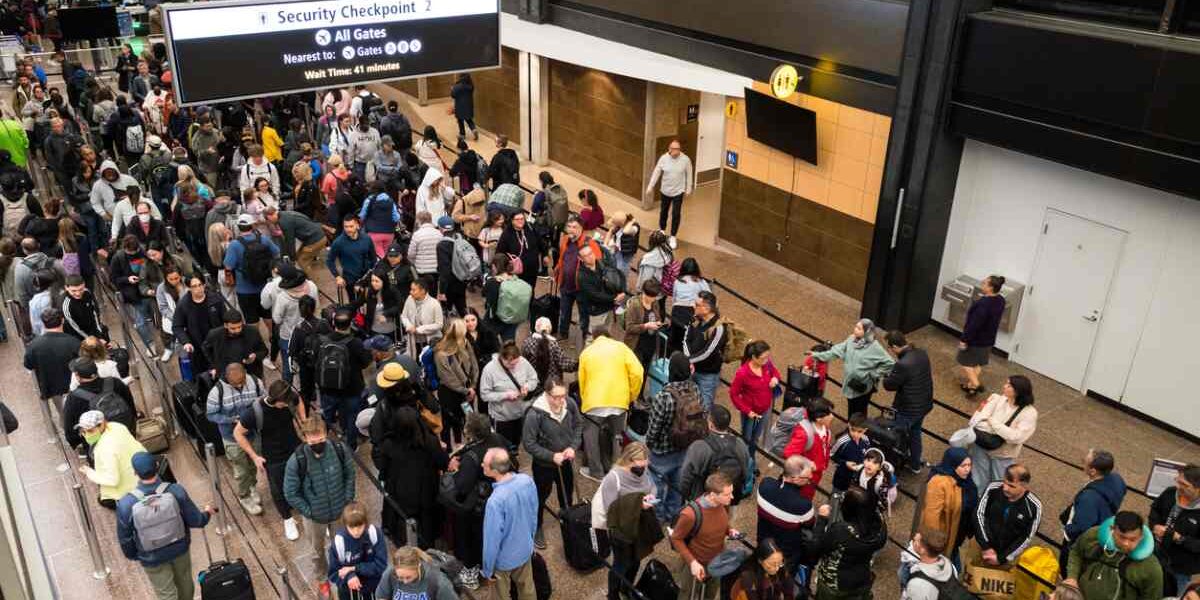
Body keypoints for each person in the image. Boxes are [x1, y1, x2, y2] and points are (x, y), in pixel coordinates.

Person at [116, 452, 215, 600]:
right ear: (157, 466)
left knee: (166, 594)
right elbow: (197, 521)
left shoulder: (126, 504)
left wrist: (137, 555)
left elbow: (125, 539)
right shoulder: (175, 490)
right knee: (185, 584)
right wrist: (207, 513)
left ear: (135, 472)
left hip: (151, 557)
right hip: (179, 548)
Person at [284, 415, 357, 599]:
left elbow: (350, 473)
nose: (318, 443)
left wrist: (347, 499)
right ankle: (322, 580)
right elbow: (290, 492)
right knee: (317, 552)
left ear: (326, 434)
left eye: (321, 439)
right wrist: (309, 512)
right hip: (314, 517)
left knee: (342, 546)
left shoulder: (339, 449)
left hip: (340, 511)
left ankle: (344, 573)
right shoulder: (297, 460)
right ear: (305, 437)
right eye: (313, 440)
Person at [234, 381, 306, 540]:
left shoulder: (289, 398)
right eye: (283, 404)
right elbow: (238, 433)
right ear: (274, 399)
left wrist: (303, 420)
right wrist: (254, 456)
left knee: (304, 478)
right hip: (272, 455)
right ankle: (287, 519)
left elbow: (298, 400)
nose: (286, 406)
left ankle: (306, 509)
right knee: (278, 488)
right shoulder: (254, 412)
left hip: (295, 446)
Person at [446, 413, 509, 588]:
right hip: (498, 494)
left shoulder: (471, 457)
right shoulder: (497, 439)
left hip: (477, 507)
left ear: (470, 433)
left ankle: (471, 575)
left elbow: (463, 486)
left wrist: (456, 469)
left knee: (471, 539)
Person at [375, 405, 449, 548]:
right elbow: (443, 463)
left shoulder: (389, 444)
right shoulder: (430, 442)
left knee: (401, 527)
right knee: (427, 528)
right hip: (425, 494)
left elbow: (383, 468)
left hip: (398, 495)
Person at [522, 378, 583, 549]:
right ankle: (537, 526)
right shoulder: (534, 414)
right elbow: (529, 443)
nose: (560, 401)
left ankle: (569, 521)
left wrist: (573, 447)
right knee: (541, 496)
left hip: (566, 462)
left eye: (563, 396)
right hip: (544, 466)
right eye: (555, 397)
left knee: (567, 495)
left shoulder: (569, 404)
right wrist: (551, 456)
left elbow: (578, 425)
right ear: (546, 394)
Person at [593, 442, 657, 600]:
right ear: (629, 459)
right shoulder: (613, 478)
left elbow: (652, 486)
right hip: (621, 530)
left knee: (636, 561)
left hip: (638, 525)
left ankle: (626, 587)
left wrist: (651, 496)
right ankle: (613, 594)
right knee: (620, 565)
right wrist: (638, 504)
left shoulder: (643, 470)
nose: (645, 465)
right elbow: (612, 509)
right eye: (641, 461)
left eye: (646, 460)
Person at [578, 330, 645, 479]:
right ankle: (616, 471)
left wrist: (585, 400)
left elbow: (582, 381)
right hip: (619, 400)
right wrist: (631, 395)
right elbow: (638, 372)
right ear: (610, 336)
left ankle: (596, 472)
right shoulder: (622, 348)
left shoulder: (586, 352)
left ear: (595, 338)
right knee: (617, 436)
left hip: (593, 402)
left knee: (591, 437)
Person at [646, 351, 702, 523]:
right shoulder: (695, 390)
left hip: (662, 451)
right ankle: (674, 514)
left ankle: (658, 517)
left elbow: (654, 427)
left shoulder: (664, 397)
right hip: (685, 447)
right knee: (677, 485)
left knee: (657, 487)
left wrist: (649, 444)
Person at [206, 362, 267, 514]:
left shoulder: (255, 382)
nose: (240, 385)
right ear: (227, 378)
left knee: (254, 464)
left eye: (242, 381)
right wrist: (230, 419)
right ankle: (244, 496)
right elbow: (211, 414)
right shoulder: (216, 392)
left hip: (253, 433)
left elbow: (263, 399)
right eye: (236, 384)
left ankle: (252, 486)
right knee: (241, 470)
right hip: (231, 437)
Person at [481, 447, 539, 600]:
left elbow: (491, 540)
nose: (481, 465)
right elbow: (534, 514)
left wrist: (488, 570)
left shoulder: (495, 501)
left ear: (494, 470)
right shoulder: (527, 481)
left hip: (503, 561)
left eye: (485, 464)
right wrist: (530, 540)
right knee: (527, 589)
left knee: (500, 595)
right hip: (525, 549)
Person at [1064, 511, 1163, 600]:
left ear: (1141, 536)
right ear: (1112, 529)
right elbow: (1076, 552)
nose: (1126, 544)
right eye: (1122, 537)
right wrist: (1072, 577)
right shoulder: (1093, 537)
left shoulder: (1151, 568)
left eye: (1132, 539)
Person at [670, 472, 737, 600]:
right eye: (727, 494)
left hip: (717, 560)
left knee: (710, 594)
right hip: (697, 562)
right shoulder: (690, 514)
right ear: (712, 495)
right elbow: (676, 539)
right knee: (687, 594)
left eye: (731, 492)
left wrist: (730, 530)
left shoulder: (722, 503)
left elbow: (722, 521)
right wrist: (692, 562)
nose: (732, 497)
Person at [812, 485, 887, 599]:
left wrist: (822, 519)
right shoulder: (880, 528)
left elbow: (816, 548)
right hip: (862, 578)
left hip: (834, 582)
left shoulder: (841, 531)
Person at [810, 318, 895, 418]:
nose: (855, 329)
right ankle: (851, 427)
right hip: (850, 383)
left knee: (860, 411)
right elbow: (836, 351)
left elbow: (890, 363)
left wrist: (874, 374)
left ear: (866, 332)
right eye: (856, 327)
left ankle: (858, 429)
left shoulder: (875, 347)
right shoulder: (851, 339)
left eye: (859, 328)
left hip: (863, 386)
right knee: (851, 408)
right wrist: (817, 355)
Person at [1060, 449, 1126, 577]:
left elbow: (1080, 528)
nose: (1082, 461)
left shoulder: (1089, 498)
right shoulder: (1117, 479)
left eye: (1085, 461)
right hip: (1101, 528)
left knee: (1068, 571)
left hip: (1079, 543)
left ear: (1093, 471)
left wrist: (1067, 530)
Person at [968, 374, 1038, 490]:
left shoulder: (1029, 413)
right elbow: (975, 421)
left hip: (1002, 455)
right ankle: (978, 504)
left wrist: (991, 421)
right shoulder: (996, 398)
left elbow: (1016, 437)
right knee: (977, 480)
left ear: (1018, 391)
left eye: (1009, 386)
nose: (1004, 386)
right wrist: (1003, 431)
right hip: (981, 446)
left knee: (999, 484)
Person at [316, 308, 372, 450]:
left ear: (333, 323)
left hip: (328, 388)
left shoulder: (323, 340)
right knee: (352, 417)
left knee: (327, 415)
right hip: (352, 388)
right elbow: (366, 362)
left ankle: (320, 440)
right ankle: (351, 445)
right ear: (349, 324)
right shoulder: (356, 343)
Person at [913, 447, 977, 568]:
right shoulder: (939, 483)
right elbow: (931, 516)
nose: (967, 469)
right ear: (952, 464)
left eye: (969, 465)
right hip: (943, 540)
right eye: (963, 466)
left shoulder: (965, 481)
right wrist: (934, 546)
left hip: (956, 537)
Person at [729, 340, 782, 481]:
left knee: (755, 439)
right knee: (746, 439)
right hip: (750, 413)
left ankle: (750, 462)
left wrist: (776, 378)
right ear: (753, 357)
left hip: (764, 410)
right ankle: (744, 465)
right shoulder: (743, 373)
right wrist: (747, 411)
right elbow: (734, 394)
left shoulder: (766, 364)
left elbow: (775, 371)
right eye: (763, 358)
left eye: (767, 357)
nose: (767, 360)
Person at [882, 330, 933, 472]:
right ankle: (915, 464)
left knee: (897, 436)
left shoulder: (902, 364)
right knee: (916, 434)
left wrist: (887, 375)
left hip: (907, 409)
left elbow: (889, 385)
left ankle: (893, 464)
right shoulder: (922, 353)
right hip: (923, 405)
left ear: (895, 347)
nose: (891, 351)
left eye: (890, 348)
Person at [62, 358, 137, 453]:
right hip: (126, 436)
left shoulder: (74, 398)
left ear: (77, 376)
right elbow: (130, 406)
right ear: (96, 369)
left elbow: (70, 429)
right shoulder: (115, 383)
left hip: (99, 448)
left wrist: (80, 444)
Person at [679, 405, 750, 503]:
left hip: (705, 499)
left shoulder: (699, 446)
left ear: (710, 425)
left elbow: (685, 478)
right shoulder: (739, 443)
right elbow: (745, 468)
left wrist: (684, 497)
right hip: (729, 496)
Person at [975, 463, 1042, 566]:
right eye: (1004, 483)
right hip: (981, 547)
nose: (1005, 488)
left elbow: (1026, 537)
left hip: (1006, 557)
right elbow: (978, 514)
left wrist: (1002, 558)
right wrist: (986, 547)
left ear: (1024, 486)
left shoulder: (1034, 507)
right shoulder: (993, 489)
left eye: (1011, 486)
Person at [77, 410, 147, 508]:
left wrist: (89, 473)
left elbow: (112, 480)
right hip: (143, 477)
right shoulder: (116, 426)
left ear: (102, 425)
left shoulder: (104, 448)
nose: (86, 435)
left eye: (90, 430)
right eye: (83, 431)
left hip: (128, 492)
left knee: (103, 500)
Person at [756, 456, 816, 568]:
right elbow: (809, 524)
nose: (810, 479)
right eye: (808, 478)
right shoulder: (804, 505)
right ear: (795, 479)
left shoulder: (764, 484)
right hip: (786, 552)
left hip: (763, 543)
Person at [1149, 464, 1200, 596]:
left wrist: (1179, 538)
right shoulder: (1170, 493)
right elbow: (1155, 510)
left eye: (1184, 484)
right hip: (1154, 554)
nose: (1178, 486)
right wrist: (1154, 526)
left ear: (1198, 488)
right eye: (1178, 481)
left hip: (1179, 570)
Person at [224, 213, 281, 326]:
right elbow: (277, 253)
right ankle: (272, 338)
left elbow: (228, 266)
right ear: (252, 225)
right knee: (268, 315)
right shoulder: (264, 239)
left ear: (238, 227)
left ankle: (257, 341)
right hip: (265, 286)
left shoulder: (234, 245)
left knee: (251, 320)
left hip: (245, 289)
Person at [481, 340, 539, 450]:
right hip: (502, 417)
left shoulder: (522, 362)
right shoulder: (489, 369)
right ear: (502, 359)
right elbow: (484, 395)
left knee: (516, 443)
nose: (514, 366)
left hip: (521, 413)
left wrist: (527, 386)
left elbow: (533, 378)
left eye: (516, 363)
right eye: (511, 364)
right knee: (502, 446)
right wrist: (505, 395)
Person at [554, 216, 603, 341]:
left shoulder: (590, 244)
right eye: (568, 227)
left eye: (574, 227)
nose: (570, 230)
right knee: (564, 311)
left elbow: (597, 266)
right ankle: (563, 333)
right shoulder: (565, 239)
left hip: (581, 288)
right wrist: (558, 270)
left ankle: (583, 337)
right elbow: (562, 258)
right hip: (566, 284)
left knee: (584, 315)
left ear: (581, 229)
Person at [23, 307, 81, 413]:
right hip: (76, 386)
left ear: (43, 323)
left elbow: (28, 365)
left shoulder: (34, 346)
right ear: (62, 320)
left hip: (52, 389)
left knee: (64, 415)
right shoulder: (73, 342)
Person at [958, 275, 1006, 396]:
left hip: (976, 340)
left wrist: (964, 340)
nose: (982, 284)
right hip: (989, 339)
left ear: (990, 287)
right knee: (977, 363)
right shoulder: (1000, 300)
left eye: (984, 283)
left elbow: (974, 325)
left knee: (964, 362)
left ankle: (977, 385)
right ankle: (971, 387)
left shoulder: (983, 304)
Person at [433, 318, 478, 445]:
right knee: (448, 421)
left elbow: (474, 364)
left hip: (467, 390)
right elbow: (448, 378)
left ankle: (462, 443)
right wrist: (467, 390)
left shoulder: (465, 342)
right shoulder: (441, 353)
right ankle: (447, 448)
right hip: (450, 393)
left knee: (467, 416)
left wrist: (473, 386)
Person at [173, 274, 226, 376]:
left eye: (200, 284)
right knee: (202, 376)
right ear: (189, 288)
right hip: (197, 347)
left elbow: (225, 319)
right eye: (194, 286)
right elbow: (177, 326)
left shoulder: (215, 299)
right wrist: (186, 342)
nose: (198, 288)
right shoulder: (183, 305)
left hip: (217, 345)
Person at [783, 398, 836, 500]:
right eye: (829, 414)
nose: (832, 416)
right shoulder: (804, 434)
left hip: (816, 473)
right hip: (806, 477)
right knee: (802, 498)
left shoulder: (825, 428)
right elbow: (788, 453)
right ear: (818, 419)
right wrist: (809, 464)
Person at [683, 291, 727, 411]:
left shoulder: (719, 328)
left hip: (708, 375)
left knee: (704, 408)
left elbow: (709, 352)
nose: (693, 306)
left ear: (706, 308)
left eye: (697, 304)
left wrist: (689, 360)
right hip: (691, 370)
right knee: (687, 405)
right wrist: (689, 361)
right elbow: (686, 340)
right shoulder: (694, 320)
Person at [646, 140, 694, 240]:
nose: (676, 151)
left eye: (678, 149)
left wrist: (688, 189)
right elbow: (656, 173)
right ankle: (662, 230)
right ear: (669, 149)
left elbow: (689, 174)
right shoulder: (663, 159)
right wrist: (650, 186)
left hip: (678, 191)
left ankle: (673, 236)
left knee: (676, 214)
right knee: (664, 211)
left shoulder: (685, 160)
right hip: (665, 190)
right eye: (674, 149)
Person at [374, 546, 461, 600]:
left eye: (408, 577)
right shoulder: (390, 573)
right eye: (400, 577)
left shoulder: (438, 581)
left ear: (418, 566)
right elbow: (381, 597)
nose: (405, 581)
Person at [203, 309, 269, 379]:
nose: (237, 330)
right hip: (226, 376)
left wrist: (255, 356)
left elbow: (264, 350)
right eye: (233, 328)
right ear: (225, 325)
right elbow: (205, 348)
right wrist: (214, 366)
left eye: (239, 327)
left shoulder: (252, 332)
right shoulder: (214, 335)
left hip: (251, 374)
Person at [327, 214, 377, 303]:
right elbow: (329, 261)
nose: (348, 229)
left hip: (365, 277)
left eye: (351, 226)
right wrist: (337, 276)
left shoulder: (367, 238)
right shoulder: (338, 242)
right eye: (346, 226)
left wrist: (372, 273)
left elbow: (373, 258)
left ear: (357, 225)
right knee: (353, 302)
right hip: (349, 278)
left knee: (366, 300)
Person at [577, 243, 624, 336]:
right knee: (593, 339)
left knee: (607, 335)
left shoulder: (601, 264)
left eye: (590, 253)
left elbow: (614, 277)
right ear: (581, 259)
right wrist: (615, 298)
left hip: (609, 307)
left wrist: (619, 290)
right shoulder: (582, 276)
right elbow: (595, 295)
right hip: (596, 312)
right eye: (586, 256)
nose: (590, 257)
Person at [264, 207, 327, 274]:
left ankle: (308, 282)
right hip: (318, 235)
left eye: (268, 220)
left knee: (301, 261)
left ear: (269, 216)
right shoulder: (286, 213)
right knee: (299, 256)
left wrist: (292, 258)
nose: (270, 222)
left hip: (316, 241)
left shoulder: (283, 222)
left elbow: (290, 241)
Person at [898, 529, 956, 600]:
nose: (913, 539)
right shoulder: (951, 566)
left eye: (916, 541)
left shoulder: (917, 584)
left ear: (923, 550)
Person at [730, 538, 795, 600]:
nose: (777, 568)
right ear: (760, 561)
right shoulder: (748, 577)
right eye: (771, 564)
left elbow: (788, 592)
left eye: (780, 563)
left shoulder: (781, 569)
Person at [434, 215, 470, 317]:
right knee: (462, 308)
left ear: (440, 228)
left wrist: (442, 291)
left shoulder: (442, 245)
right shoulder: (461, 238)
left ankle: (453, 331)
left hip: (450, 284)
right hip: (462, 279)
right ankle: (470, 328)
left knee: (446, 313)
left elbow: (444, 270)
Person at [830, 415, 872, 493]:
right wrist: (845, 463)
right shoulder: (842, 441)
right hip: (842, 477)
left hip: (858, 478)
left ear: (865, 430)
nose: (855, 434)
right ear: (849, 426)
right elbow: (831, 455)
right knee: (836, 498)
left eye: (860, 431)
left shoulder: (866, 439)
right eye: (853, 430)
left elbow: (867, 453)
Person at [402, 275, 444, 352]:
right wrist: (409, 326)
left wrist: (419, 329)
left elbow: (439, 324)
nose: (410, 292)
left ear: (423, 291)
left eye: (413, 290)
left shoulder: (434, 303)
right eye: (411, 289)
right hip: (414, 340)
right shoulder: (409, 299)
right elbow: (404, 316)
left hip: (430, 342)